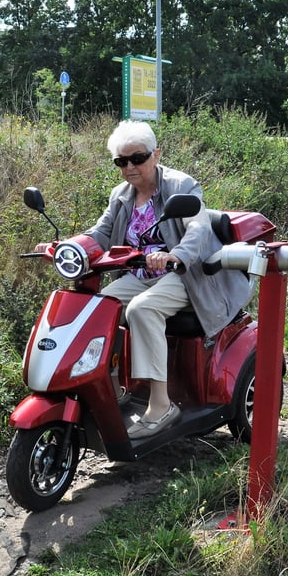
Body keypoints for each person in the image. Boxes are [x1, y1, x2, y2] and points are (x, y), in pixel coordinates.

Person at [74, 120, 252, 438]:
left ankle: (161, 406)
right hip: (140, 274)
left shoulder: (181, 185)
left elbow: (198, 228)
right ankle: (113, 391)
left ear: (156, 154)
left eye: (137, 158)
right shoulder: (121, 196)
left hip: (186, 275)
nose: (129, 167)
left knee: (142, 309)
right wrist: (71, 246)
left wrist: (176, 255)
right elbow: (99, 233)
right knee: (97, 308)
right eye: (121, 161)